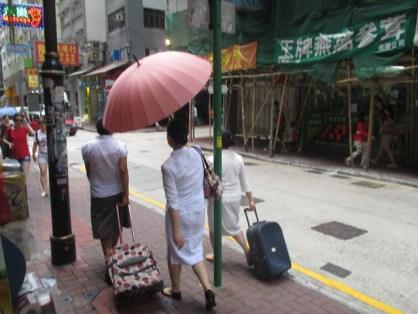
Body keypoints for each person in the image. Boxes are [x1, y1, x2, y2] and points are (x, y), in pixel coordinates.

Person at [161, 119, 216, 312]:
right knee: (195, 251)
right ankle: (208, 289)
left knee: (175, 253)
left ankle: (176, 289)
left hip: (180, 216)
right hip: (198, 210)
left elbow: (173, 201)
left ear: (169, 139)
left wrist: (176, 230)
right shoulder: (197, 152)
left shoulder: (168, 166)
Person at [81, 119, 130, 279]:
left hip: (99, 194)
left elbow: (89, 172)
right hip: (117, 192)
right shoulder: (120, 146)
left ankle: (108, 258)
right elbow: (123, 170)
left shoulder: (87, 148)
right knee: (116, 225)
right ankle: (112, 255)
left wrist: (95, 183)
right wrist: (126, 194)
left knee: (103, 229)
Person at [206, 129, 256, 266]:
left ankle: (217, 255)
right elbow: (245, 181)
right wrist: (251, 199)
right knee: (233, 227)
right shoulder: (238, 158)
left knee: (213, 229)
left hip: (218, 198)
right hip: (235, 198)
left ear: (218, 141)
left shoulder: (211, 159)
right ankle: (247, 250)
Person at [32, 117, 49, 197]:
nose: (43, 124)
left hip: (51, 155)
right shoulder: (37, 133)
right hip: (42, 154)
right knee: (43, 172)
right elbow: (35, 144)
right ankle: (45, 190)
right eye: (41, 122)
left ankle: (47, 185)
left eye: (44, 122)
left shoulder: (51, 131)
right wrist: (33, 153)